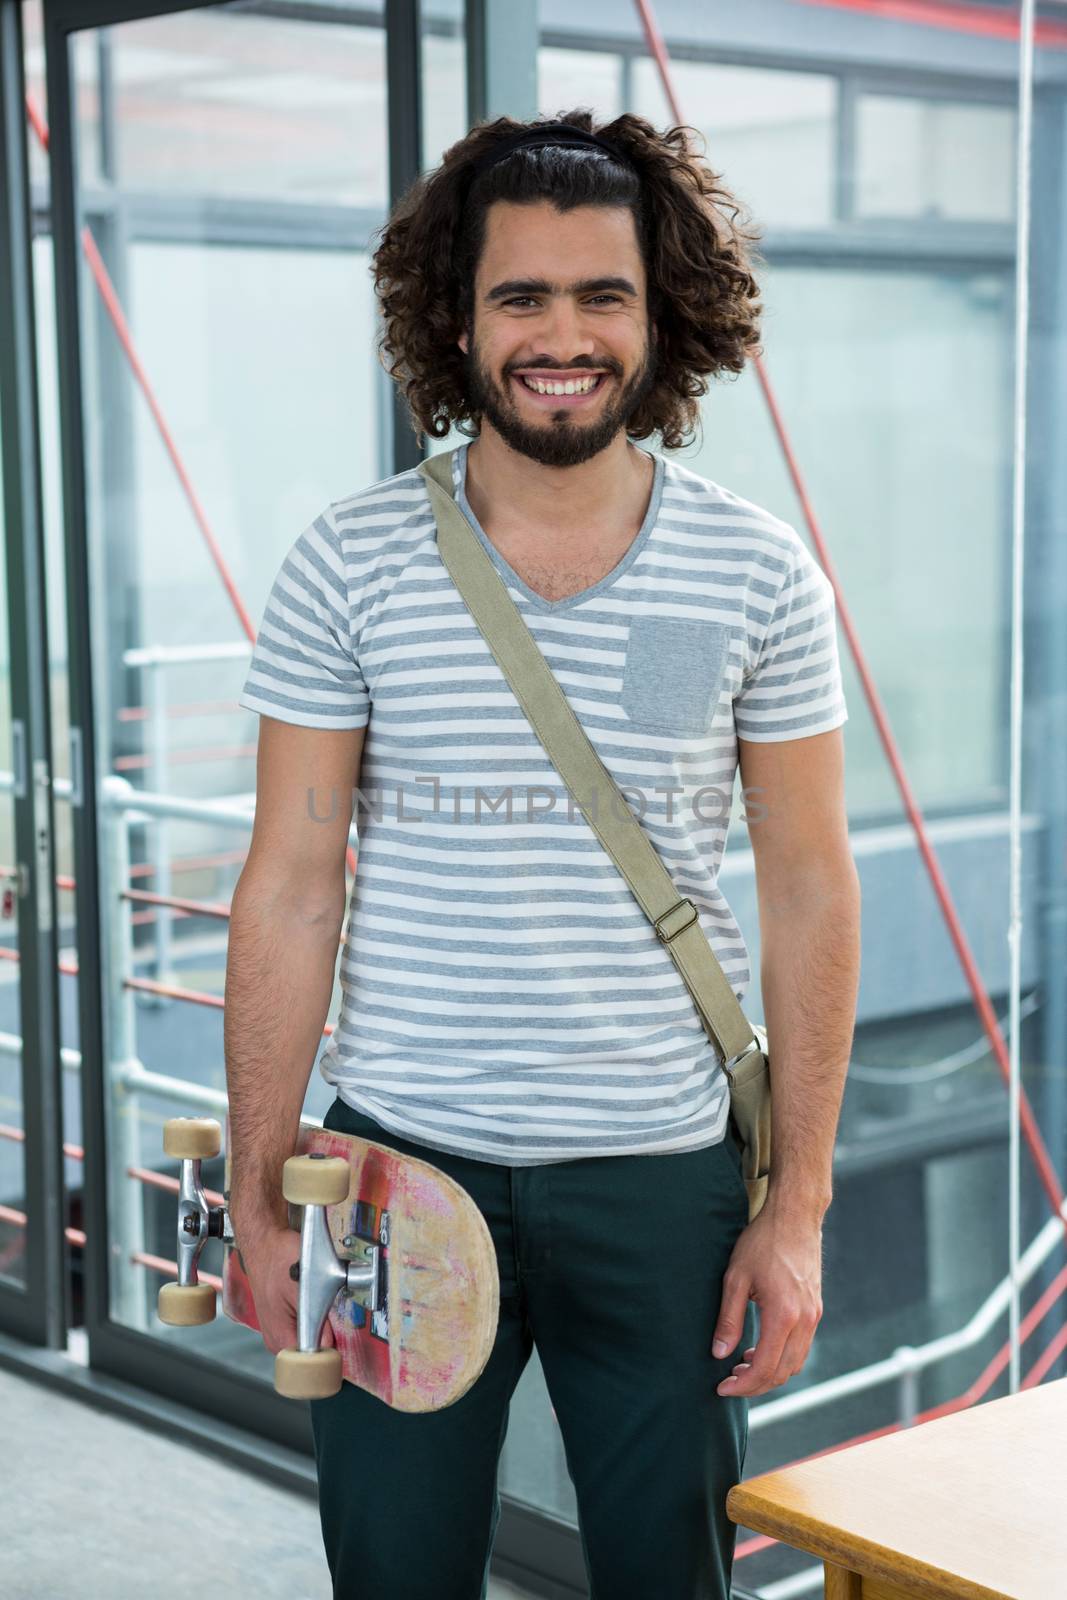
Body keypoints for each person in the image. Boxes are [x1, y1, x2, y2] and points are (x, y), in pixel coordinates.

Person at [225, 109, 861, 1600]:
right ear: (459, 318)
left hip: (663, 1183)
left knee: (668, 1574)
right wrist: (261, 1184)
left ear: (664, 314)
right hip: (396, 1170)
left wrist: (800, 1209)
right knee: (393, 1572)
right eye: (521, 296)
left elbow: (813, 888)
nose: (560, 335)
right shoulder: (349, 560)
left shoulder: (757, 573)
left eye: (603, 295)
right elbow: (291, 883)